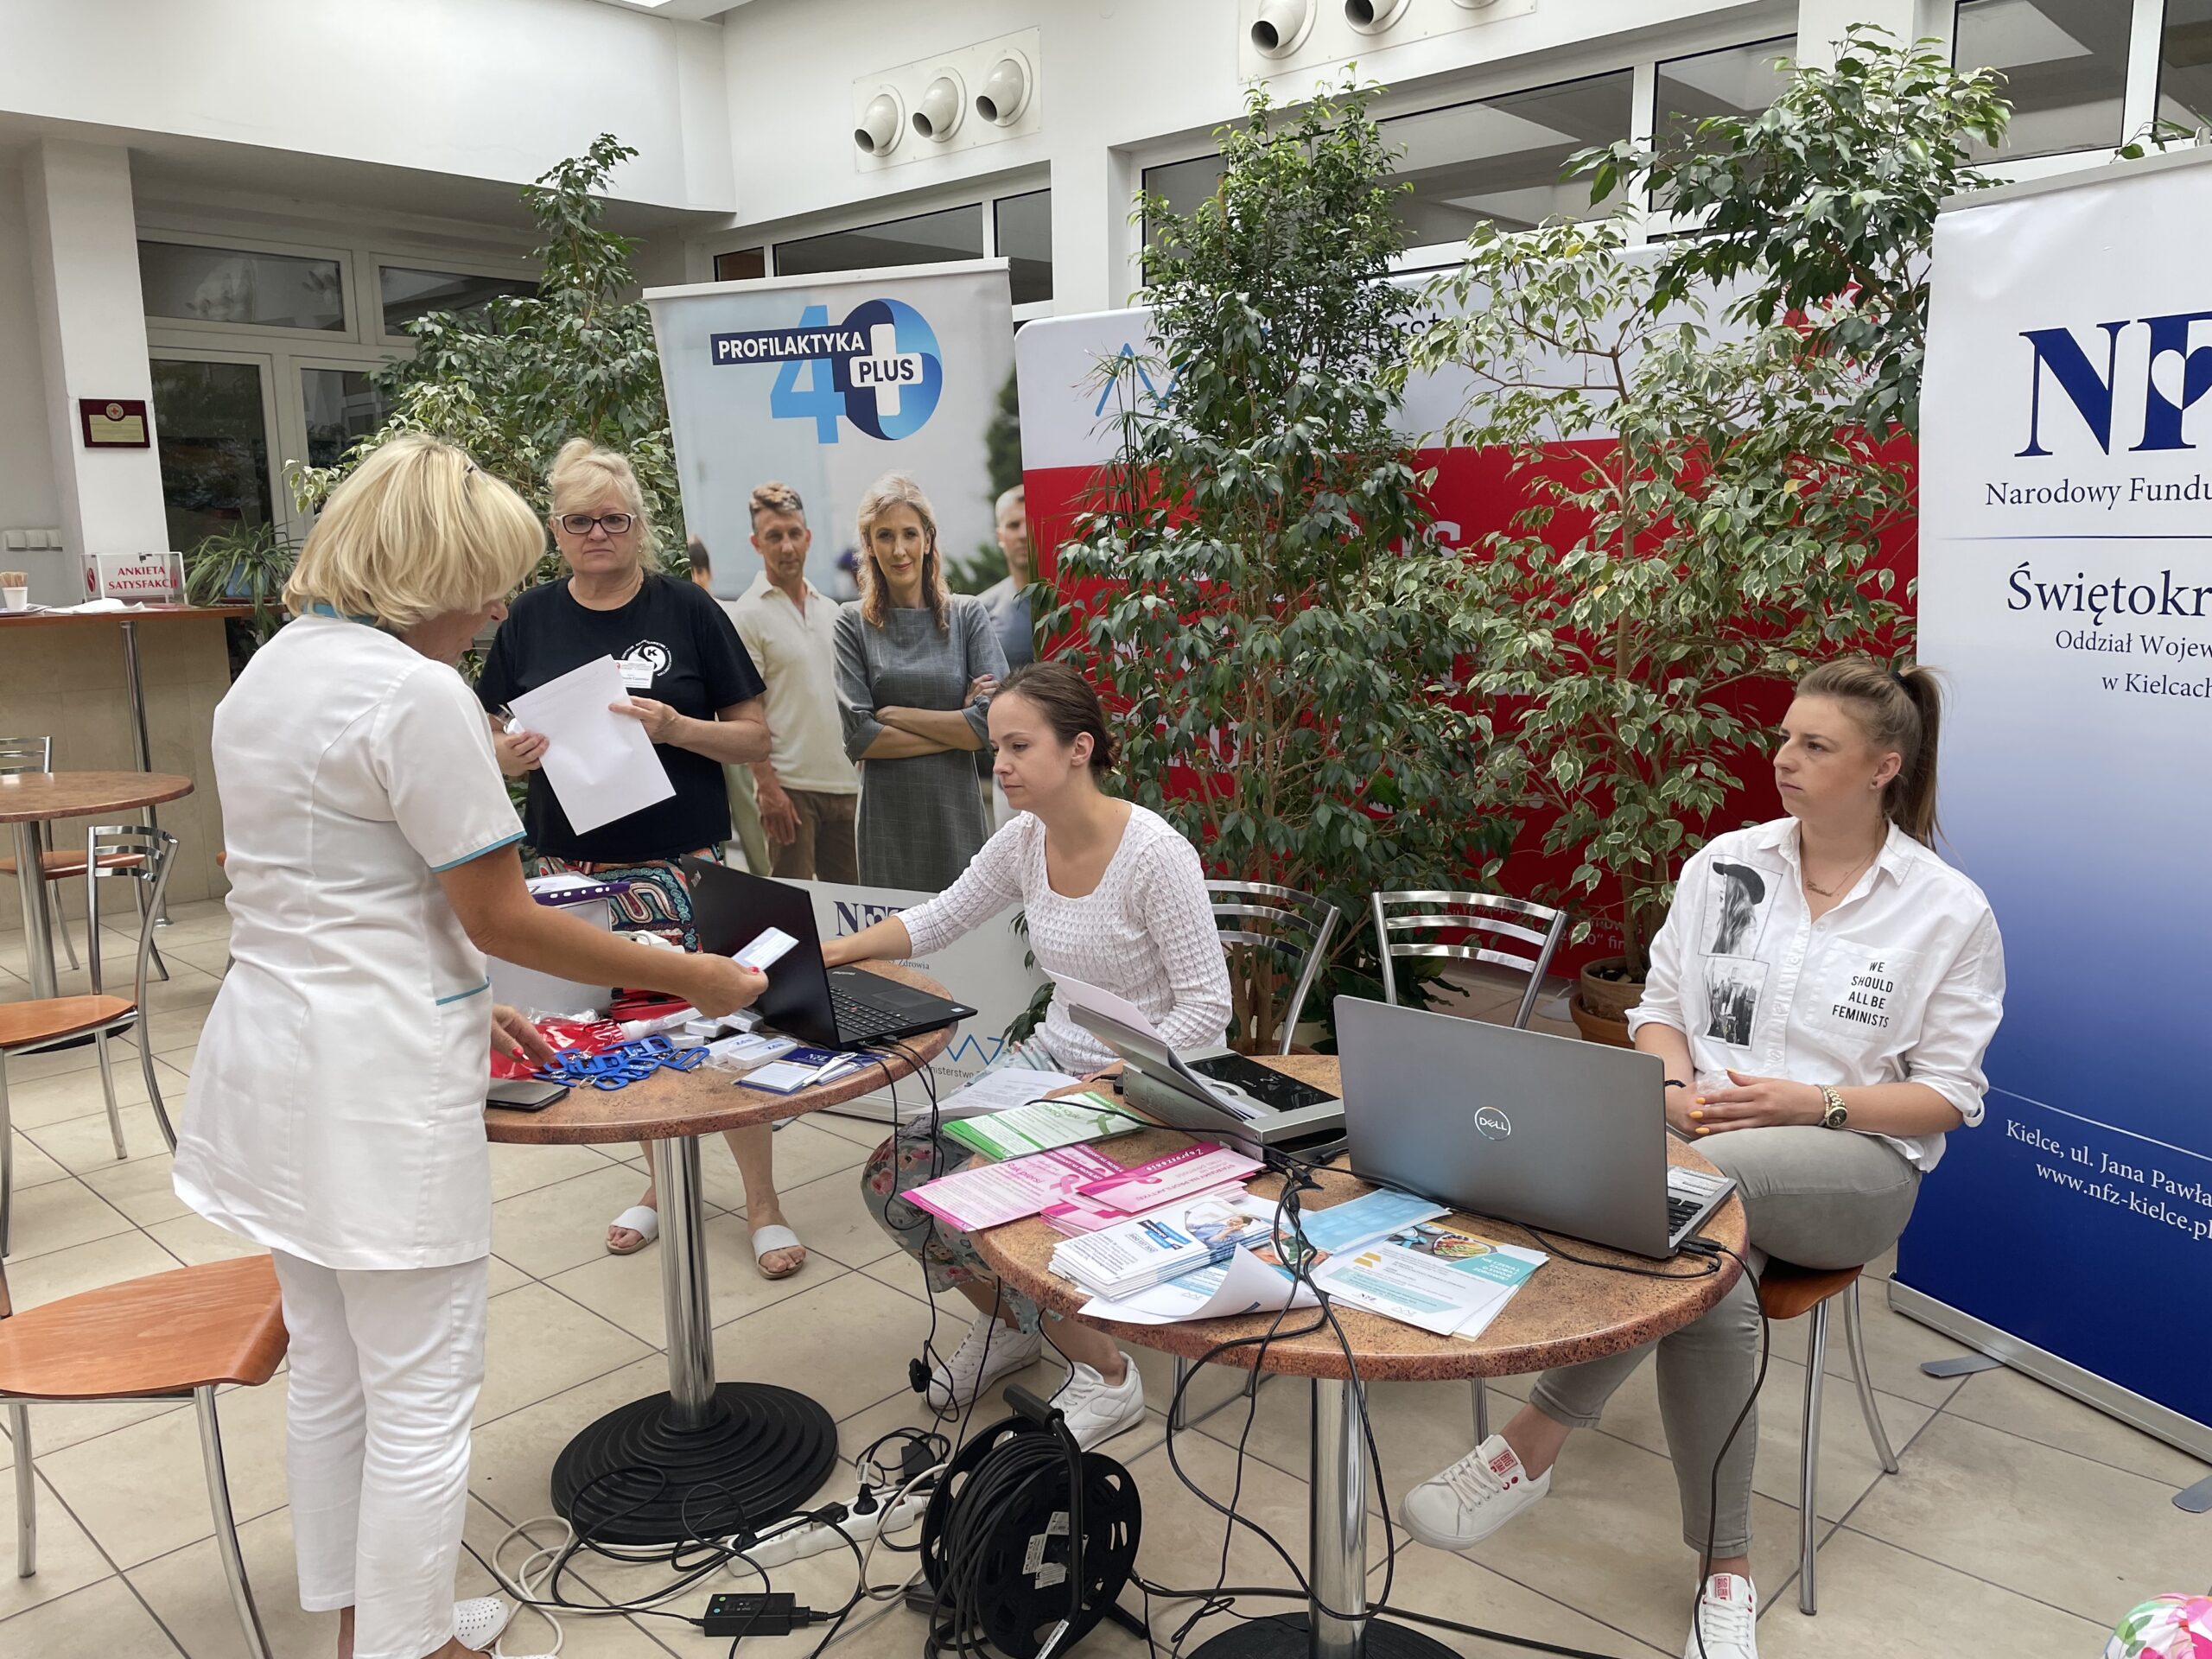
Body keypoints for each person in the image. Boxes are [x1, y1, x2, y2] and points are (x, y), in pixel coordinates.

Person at [170, 435, 766, 1659]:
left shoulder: (270, 674)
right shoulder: (414, 692)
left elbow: (348, 887)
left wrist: (459, 989)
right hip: (370, 1086)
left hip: (271, 1057)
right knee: (425, 1395)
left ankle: (367, 1624)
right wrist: (707, 974)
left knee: (333, 1370)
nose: (500, 607)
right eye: (483, 580)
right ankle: (413, 1646)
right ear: (421, 567)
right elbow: (501, 915)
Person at [1401, 657, 2005, 1659]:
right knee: (1708, 1272)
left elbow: (1951, 1093)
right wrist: (1673, 1086)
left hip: (1853, 1166)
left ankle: (1530, 1443)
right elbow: (1658, 1013)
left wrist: (1813, 1101)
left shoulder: (1945, 910)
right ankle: (1726, 1571)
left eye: (1815, 746)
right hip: (1694, 1144)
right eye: (1783, 738)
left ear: (1881, 766)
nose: (1783, 760)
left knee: (1692, 1198)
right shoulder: (1727, 865)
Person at [832, 661, 1234, 1447]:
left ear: (1079, 748)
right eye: (995, 746)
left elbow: (1208, 1012)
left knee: (985, 1202)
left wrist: (1109, 1079)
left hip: (1152, 1089)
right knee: (897, 1179)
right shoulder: (1025, 840)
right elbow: (940, 918)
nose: (1000, 765)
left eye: (1018, 746)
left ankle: (1109, 1376)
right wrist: (830, 951)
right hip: (1053, 1073)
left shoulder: (1155, 855)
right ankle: (1015, 1326)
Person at [475, 440, 803, 1276]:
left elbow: (756, 733)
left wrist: (677, 728)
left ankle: (762, 1201)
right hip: (573, 869)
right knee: (623, 1039)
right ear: (556, 529)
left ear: (638, 527)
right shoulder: (529, 619)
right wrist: (504, 755)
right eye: (580, 521)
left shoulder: (686, 611)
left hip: (681, 860)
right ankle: (662, 1183)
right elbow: (484, 727)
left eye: (613, 519)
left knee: (716, 1026)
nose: (597, 534)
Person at [833, 474, 1007, 891]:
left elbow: (993, 724)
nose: (899, 550)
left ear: (928, 539)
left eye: (909, 534)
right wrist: (957, 727)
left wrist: (898, 716)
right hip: (885, 821)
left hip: (955, 813)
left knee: (966, 944)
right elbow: (860, 738)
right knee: (893, 953)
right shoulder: (851, 623)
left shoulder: (967, 616)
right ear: (869, 545)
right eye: (885, 536)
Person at [723, 481, 861, 882]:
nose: (786, 547)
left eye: (793, 534)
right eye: (774, 536)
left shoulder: (833, 612)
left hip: (845, 784)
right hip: (789, 790)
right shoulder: (746, 615)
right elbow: (745, 711)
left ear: (808, 537)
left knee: (854, 914)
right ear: (756, 543)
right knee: (793, 913)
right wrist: (767, 788)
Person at [688, 532, 773, 879]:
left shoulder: (728, 615)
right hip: (696, 741)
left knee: (748, 815)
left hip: (731, 731)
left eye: (696, 571)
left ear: (706, 574)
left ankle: (765, 877)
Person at [974, 485, 1035, 823]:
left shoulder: (1075, 602)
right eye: (1013, 526)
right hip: (1011, 770)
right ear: (1000, 535)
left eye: (1028, 523)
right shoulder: (982, 611)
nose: (1023, 534)